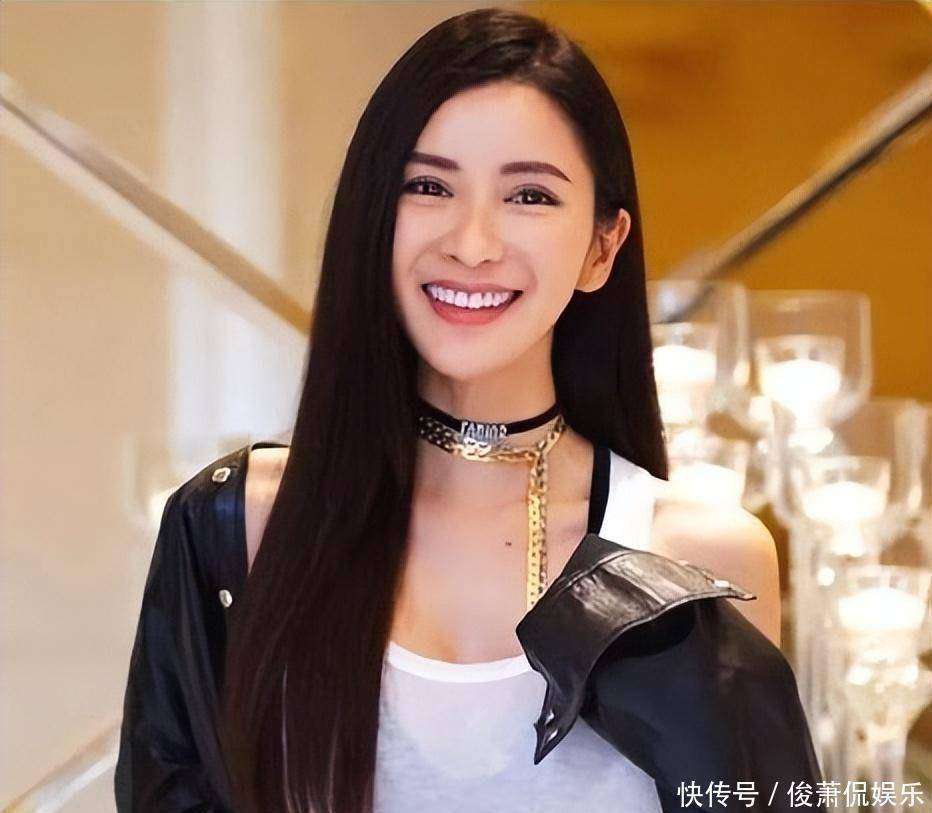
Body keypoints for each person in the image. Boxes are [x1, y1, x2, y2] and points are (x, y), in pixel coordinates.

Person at [115, 7, 821, 813]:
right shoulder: (238, 526)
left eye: (529, 195)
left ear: (602, 246)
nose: (472, 242)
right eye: (429, 186)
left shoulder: (699, 558)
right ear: (372, 215)